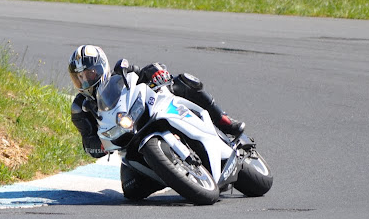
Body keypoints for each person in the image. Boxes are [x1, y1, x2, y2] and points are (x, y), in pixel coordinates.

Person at [68, 44, 246, 159]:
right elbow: (88, 143)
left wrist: (157, 72)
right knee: (132, 190)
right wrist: (101, 146)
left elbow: (144, 71)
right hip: (129, 145)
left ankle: (223, 120)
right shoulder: (79, 108)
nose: (85, 81)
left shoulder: (119, 73)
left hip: (150, 111)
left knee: (185, 81)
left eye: (89, 74)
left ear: (101, 68)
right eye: (80, 77)